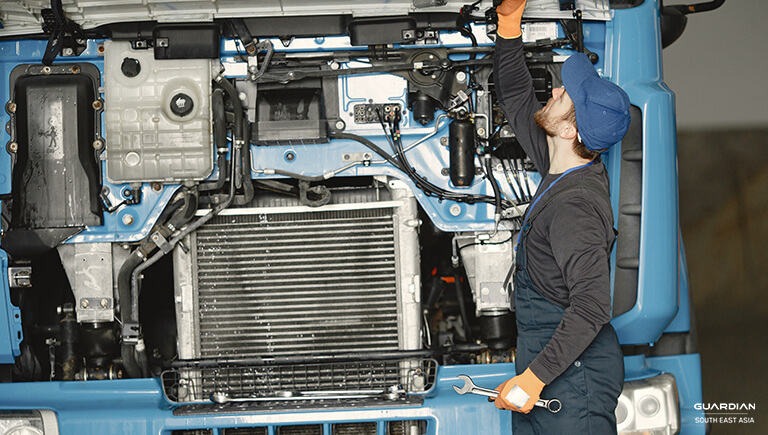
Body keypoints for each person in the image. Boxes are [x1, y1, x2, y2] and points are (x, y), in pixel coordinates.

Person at [491, 0, 631, 434]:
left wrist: (533, 381)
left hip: (576, 380)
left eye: (562, 95)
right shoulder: (562, 163)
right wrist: (508, 23)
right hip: (551, 365)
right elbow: (516, 96)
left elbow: (591, 307)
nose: (552, 90)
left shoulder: (575, 207)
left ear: (570, 130)